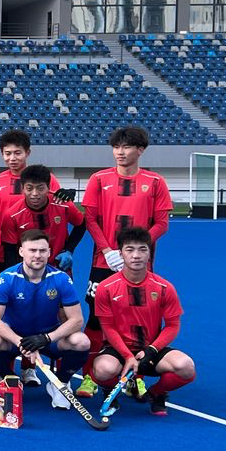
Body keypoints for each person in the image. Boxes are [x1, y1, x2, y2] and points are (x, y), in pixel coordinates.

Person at [79, 126, 173, 395]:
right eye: (116, 147)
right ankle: (89, 376)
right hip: (103, 262)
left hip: (138, 265)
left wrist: (133, 250)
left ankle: (135, 376)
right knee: (96, 319)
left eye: (127, 147)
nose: (120, 152)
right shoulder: (98, 179)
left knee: (138, 322)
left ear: (140, 150)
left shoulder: (155, 182)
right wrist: (108, 250)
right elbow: (90, 219)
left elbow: (162, 224)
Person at [90, 226, 194, 416]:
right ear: (120, 253)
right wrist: (127, 355)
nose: (136, 255)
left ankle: (156, 393)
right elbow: (107, 327)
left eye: (142, 249)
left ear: (149, 253)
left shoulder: (164, 287)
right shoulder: (106, 287)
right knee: (102, 370)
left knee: (186, 367)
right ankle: (110, 392)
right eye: (130, 249)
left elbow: (172, 325)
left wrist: (152, 349)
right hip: (118, 350)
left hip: (152, 349)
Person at [0, 229, 91, 405]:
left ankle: (60, 383)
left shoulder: (61, 278)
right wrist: (21, 342)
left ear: (49, 252)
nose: (37, 255)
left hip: (48, 337)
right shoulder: (6, 278)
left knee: (81, 341)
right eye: (32, 250)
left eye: (42, 251)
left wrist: (46, 338)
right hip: (15, 338)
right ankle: (10, 378)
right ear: (21, 251)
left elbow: (77, 320)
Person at [1, 165, 85, 272]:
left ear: (49, 187)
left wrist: (68, 250)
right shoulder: (12, 215)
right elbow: (10, 251)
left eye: (40, 188)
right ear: (22, 188)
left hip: (58, 267)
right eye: (29, 188)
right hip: (27, 270)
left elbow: (82, 224)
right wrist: (17, 275)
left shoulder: (64, 205)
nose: (35, 194)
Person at [0, 129, 63, 222]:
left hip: (37, 231)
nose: (12, 158)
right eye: (8, 153)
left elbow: (58, 205)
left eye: (17, 153)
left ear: (27, 152)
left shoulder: (46, 178)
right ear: (2, 154)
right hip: (6, 231)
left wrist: (64, 196)